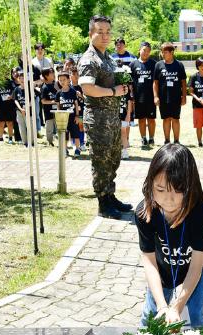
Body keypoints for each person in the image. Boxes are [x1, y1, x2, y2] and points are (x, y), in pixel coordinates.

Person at [135, 143, 203, 329]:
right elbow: (149, 262)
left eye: (178, 190)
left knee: (194, 317)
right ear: (150, 184)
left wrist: (177, 307)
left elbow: (197, 265)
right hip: (161, 269)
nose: (168, 199)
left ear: (190, 186)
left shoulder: (201, 212)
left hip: (195, 269)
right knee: (150, 318)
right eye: (160, 189)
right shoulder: (144, 213)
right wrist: (163, 306)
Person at [77, 15, 132, 219]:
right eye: (100, 31)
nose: (105, 35)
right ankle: (103, 203)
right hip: (98, 119)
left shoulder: (106, 57)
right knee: (101, 162)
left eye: (108, 32)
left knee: (112, 159)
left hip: (111, 118)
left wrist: (122, 87)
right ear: (91, 33)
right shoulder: (89, 59)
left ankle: (110, 196)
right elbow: (87, 88)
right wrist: (113, 92)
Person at [153, 42, 187, 144]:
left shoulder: (179, 65)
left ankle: (176, 141)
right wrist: (155, 96)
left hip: (176, 97)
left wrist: (184, 96)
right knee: (166, 119)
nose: (162, 54)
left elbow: (183, 82)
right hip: (163, 97)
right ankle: (167, 141)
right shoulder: (158, 65)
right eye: (162, 52)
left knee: (175, 119)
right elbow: (155, 83)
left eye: (165, 52)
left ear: (172, 52)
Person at [130, 41, 157, 147]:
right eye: (144, 50)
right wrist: (132, 96)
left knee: (151, 119)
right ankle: (143, 138)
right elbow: (130, 83)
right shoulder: (133, 65)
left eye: (148, 51)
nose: (146, 53)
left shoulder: (154, 64)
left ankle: (151, 138)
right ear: (139, 50)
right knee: (141, 119)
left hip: (151, 97)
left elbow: (157, 81)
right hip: (138, 97)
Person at [56, 71, 82, 157]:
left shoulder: (73, 91)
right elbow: (58, 106)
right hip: (63, 118)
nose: (62, 81)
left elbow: (76, 104)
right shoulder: (59, 93)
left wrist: (77, 116)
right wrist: (59, 117)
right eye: (60, 80)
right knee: (65, 134)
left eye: (64, 79)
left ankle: (77, 149)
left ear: (68, 80)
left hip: (73, 117)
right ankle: (65, 150)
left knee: (76, 134)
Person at [32, 43, 52, 133]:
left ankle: (50, 126)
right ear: (35, 51)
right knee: (37, 108)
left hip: (47, 86)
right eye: (38, 49)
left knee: (48, 106)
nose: (40, 51)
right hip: (36, 87)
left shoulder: (48, 60)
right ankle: (39, 127)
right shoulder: (32, 62)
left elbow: (52, 74)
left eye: (42, 49)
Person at [0, 72, 16, 144]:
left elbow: (15, 91)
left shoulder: (10, 82)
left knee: (10, 123)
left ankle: (10, 138)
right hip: (0, 107)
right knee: (1, 123)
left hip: (10, 106)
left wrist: (11, 96)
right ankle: (0, 139)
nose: (3, 74)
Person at [40, 68, 58, 146]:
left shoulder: (56, 84)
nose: (53, 74)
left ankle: (62, 140)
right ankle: (50, 141)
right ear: (46, 76)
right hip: (48, 111)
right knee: (49, 127)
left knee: (59, 126)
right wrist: (52, 102)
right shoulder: (44, 87)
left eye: (53, 72)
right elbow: (43, 101)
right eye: (51, 73)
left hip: (58, 110)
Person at [70, 67, 87, 151]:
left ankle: (82, 143)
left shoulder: (82, 86)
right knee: (72, 127)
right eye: (73, 74)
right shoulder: (69, 87)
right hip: (71, 110)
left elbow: (87, 98)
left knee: (81, 126)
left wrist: (81, 95)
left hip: (81, 110)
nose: (76, 76)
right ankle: (73, 143)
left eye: (77, 74)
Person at [12, 69, 30, 146]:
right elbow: (15, 100)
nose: (22, 80)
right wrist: (20, 109)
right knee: (21, 126)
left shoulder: (29, 88)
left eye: (23, 78)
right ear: (18, 79)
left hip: (28, 111)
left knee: (29, 126)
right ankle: (24, 141)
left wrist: (27, 108)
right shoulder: (16, 89)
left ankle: (31, 141)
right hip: (19, 111)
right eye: (20, 78)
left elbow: (32, 99)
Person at [119, 72, 134, 159]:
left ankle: (124, 151)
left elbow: (129, 102)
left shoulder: (126, 88)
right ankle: (118, 150)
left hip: (124, 114)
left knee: (123, 132)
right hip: (115, 114)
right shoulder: (114, 87)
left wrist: (128, 115)